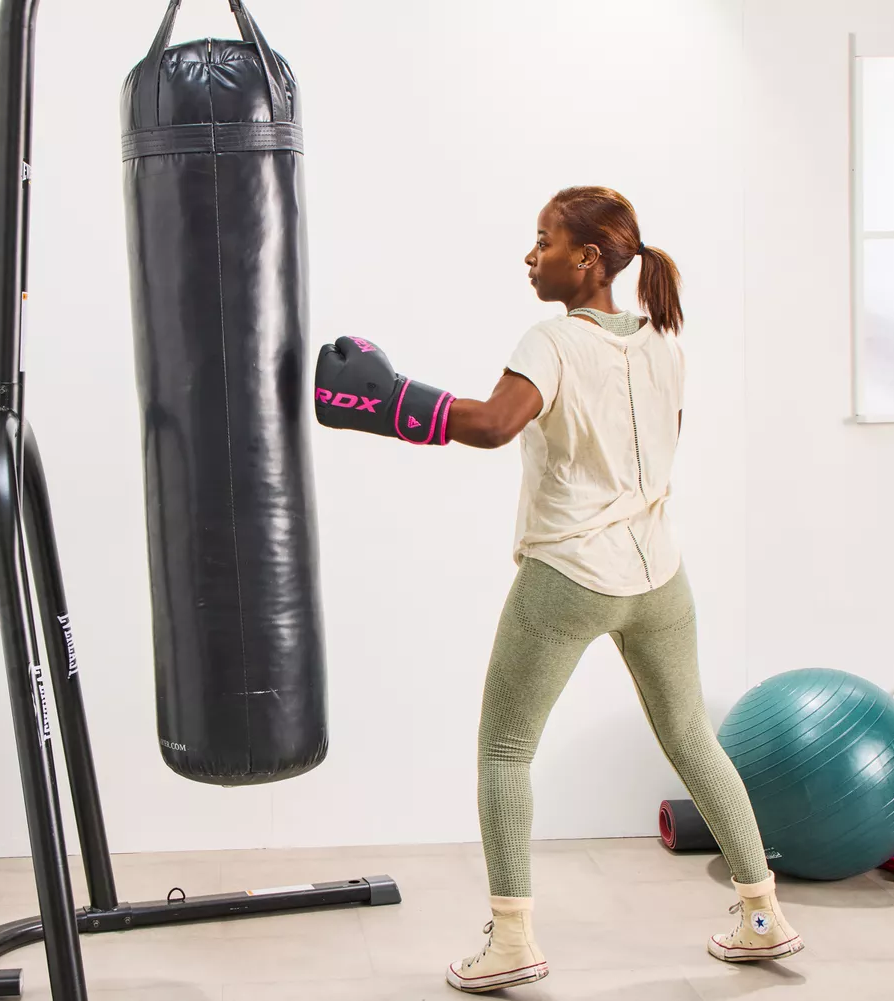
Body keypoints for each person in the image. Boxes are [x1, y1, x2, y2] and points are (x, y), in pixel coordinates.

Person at [314, 186, 804, 993]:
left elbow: (492, 423)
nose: (529, 255)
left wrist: (389, 400)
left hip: (569, 575)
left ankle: (511, 940)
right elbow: (656, 449)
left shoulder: (551, 340)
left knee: (504, 751)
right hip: (659, 574)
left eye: (542, 241)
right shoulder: (664, 345)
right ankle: (762, 914)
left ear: (587, 260)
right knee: (691, 737)